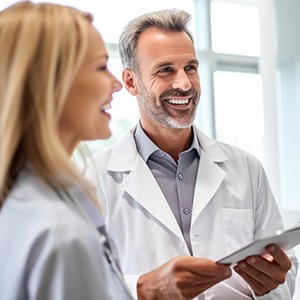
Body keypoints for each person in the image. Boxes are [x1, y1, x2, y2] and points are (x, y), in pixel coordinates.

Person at [88, 9, 298, 300]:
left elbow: (284, 275)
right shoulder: (92, 178)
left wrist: (273, 284)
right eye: (165, 70)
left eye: (191, 67)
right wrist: (143, 289)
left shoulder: (247, 169)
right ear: (131, 82)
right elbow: (77, 283)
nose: (184, 84)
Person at [0, 2, 133, 299]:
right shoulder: (60, 234)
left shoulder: (25, 205)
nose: (116, 84)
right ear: (47, 82)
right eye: (100, 66)